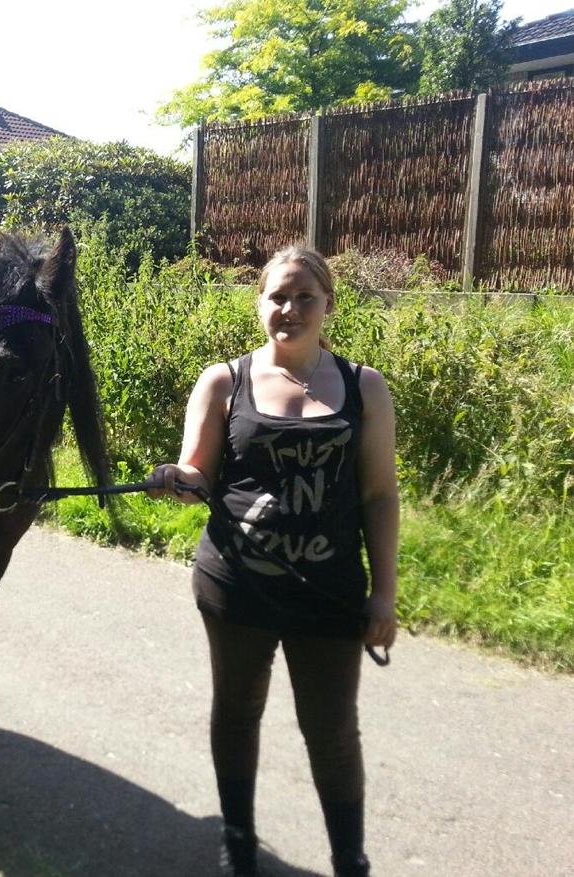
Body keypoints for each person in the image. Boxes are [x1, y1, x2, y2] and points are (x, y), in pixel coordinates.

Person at [148, 247, 398, 877]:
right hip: (237, 585)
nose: (289, 309)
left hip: (330, 590)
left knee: (332, 729)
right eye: (277, 297)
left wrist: (385, 594)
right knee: (236, 713)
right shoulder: (224, 381)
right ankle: (238, 843)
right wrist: (176, 479)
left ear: (328, 304)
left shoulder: (364, 386)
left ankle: (349, 857)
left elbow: (378, 495)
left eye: (304, 297)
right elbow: (200, 472)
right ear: (260, 303)